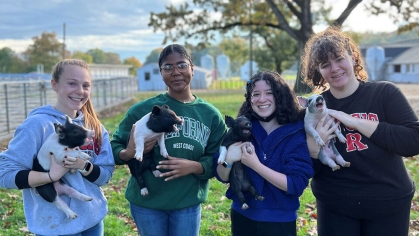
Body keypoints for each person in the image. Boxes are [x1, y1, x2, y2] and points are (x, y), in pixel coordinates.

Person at [300, 26, 419, 236]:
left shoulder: (384, 93)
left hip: (388, 204)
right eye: (325, 65)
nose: (334, 68)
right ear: (319, 71)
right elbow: (306, 169)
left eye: (339, 59)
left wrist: (354, 121)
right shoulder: (314, 108)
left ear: (353, 57)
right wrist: (311, 150)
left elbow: (413, 141)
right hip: (335, 206)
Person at [110, 44, 226, 236]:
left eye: (181, 65)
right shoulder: (143, 110)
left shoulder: (210, 115)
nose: (175, 72)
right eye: (167, 67)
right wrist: (129, 152)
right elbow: (114, 146)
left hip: (186, 202)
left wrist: (195, 167)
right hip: (147, 203)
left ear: (192, 68)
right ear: (161, 72)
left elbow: (218, 157)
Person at [0, 59, 115, 235]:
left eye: (86, 85)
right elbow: (5, 173)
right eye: (72, 83)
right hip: (53, 227)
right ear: (54, 84)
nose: (80, 91)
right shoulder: (37, 125)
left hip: (93, 222)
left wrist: (84, 166)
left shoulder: (95, 128)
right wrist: (50, 176)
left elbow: (105, 175)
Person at [214, 71, 314, 236]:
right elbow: (222, 176)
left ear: (280, 96)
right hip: (242, 215)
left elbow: (295, 184)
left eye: (269, 93)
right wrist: (227, 161)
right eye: (256, 94)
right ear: (250, 99)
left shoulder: (295, 133)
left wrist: (255, 165)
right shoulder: (240, 129)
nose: (262, 99)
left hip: (280, 220)